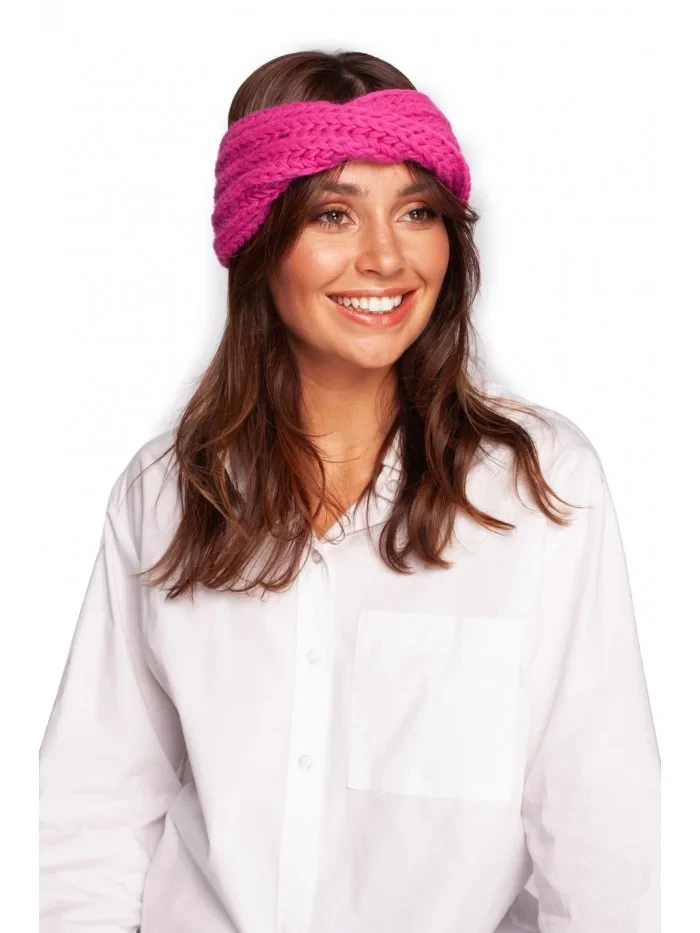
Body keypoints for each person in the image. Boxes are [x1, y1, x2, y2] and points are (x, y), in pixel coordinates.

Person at [38, 49, 660, 933]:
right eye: (334, 213)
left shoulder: (538, 487)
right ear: (257, 239)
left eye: (417, 212)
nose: (385, 257)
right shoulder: (168, 491)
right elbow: (93, 804)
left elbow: (601, 815)